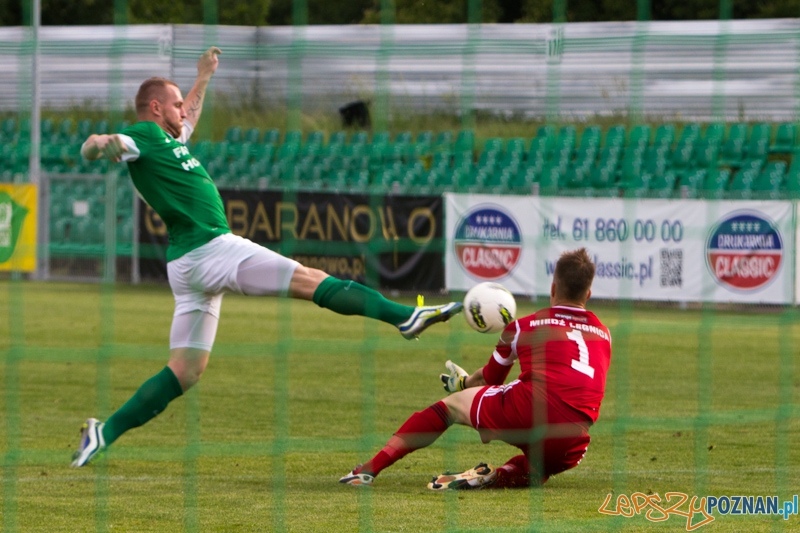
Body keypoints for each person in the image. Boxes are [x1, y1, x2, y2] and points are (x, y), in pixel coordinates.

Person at [71, 47, 462, 467]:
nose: (184, 110)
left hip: (186, 265)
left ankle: (103, 432)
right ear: (155, 108)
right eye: (177, 103)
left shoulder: (171, 139)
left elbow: (189, 118)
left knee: (185, 371)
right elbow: (98, 146)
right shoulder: (144, 135)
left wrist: (204, 77)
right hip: (212, 248)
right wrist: (100, 144)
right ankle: (405, 317)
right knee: (310, 279)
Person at [340, 248, 611, 489]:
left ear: (552, 288)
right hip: (573, 441)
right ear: (588, 294)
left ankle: (368, 470)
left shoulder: (522, 326)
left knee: (449, 408)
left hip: (531, 408)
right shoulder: (604, 334)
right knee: (538, 469)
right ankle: (495, 477)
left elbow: (492, 380)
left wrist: (463, 384)